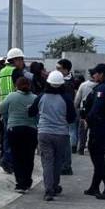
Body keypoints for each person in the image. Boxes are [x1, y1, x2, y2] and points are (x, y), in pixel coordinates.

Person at [32, 70, 77, 201]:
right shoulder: (66, 98)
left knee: (47, 162)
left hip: (44, 133)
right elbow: (71, 118)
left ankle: (48, 190)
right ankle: (55, 185)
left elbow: (31, 112)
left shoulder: (41, 97)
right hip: (61, 134)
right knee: (57, 162)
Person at [83, 64, 105, 199]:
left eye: (95, 73)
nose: (93, 76)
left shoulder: (103, 88)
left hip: (100, 126)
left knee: (97, 158)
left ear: (101, 74)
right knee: (98, 157)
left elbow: (97, 107)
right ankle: (94, 186)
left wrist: (88, 119)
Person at [0, 76, 38, 192]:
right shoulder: (35, 98)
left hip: (14, 129)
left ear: (16, 86)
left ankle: (20, 183)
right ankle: (27, 181)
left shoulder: (11, 96)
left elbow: (2, 108)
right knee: (29, 157)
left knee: (17, 157)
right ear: (29, 86)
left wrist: (8, 117)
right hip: (31, 130)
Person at [0, 48, 25, 172]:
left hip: (4, 106)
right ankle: (8, 161)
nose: (22, 62)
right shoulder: (16, 72)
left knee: (6, 135)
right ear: (15, 60)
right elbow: (22, 89)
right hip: (15, 107)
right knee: (13, 136)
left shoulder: (1, 71)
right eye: (21, 59)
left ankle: (4, 158)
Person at [56, 59, 76, 175]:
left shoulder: (67, 84)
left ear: (66, 70)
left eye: (59, 68)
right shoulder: (65, 81)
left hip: (63, 115)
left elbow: (67, 102)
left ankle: (66, 165)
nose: (56, 71)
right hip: (61, 115)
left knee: (65, 140)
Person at [74, 69, 98, 154]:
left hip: (83, 110)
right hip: (95, 110)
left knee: (82, 131)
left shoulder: (83, 85)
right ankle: (93, 148)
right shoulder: (100, 85)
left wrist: (75, 107)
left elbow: (77, 98)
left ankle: (81, 148)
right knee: (94, 131)